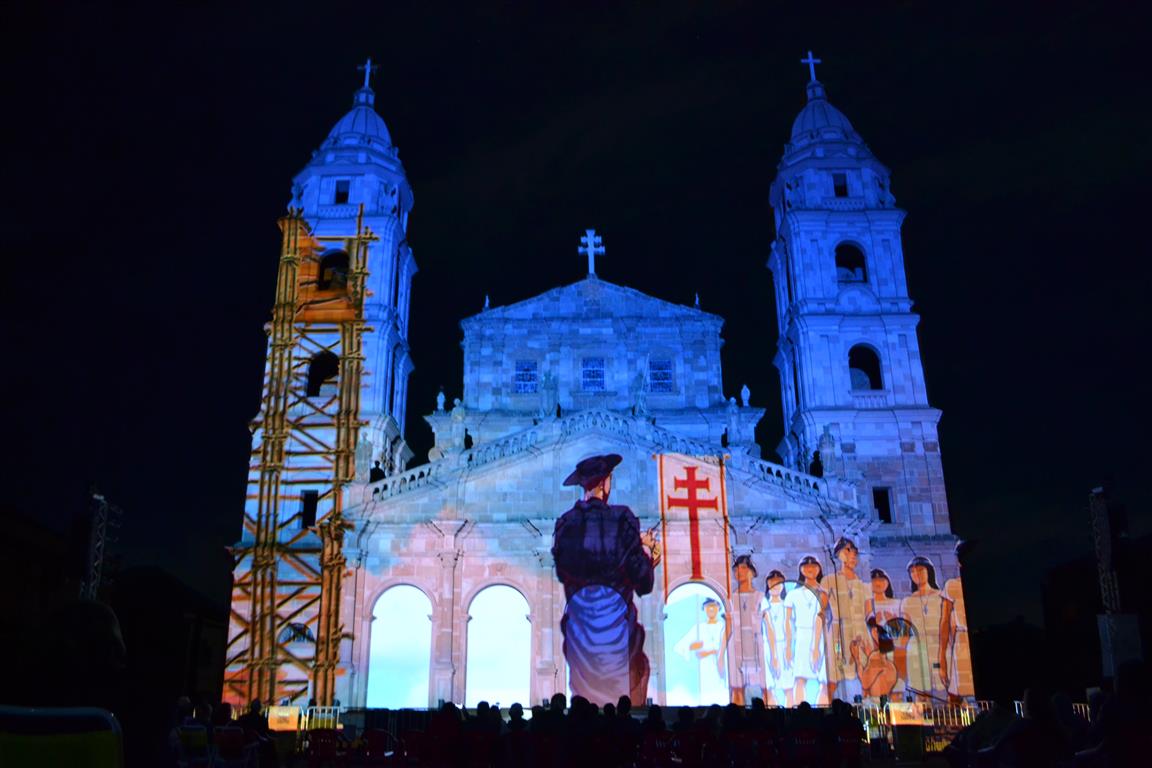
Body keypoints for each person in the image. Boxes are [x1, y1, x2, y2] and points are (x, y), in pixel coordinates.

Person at [553, 454, 659, 707]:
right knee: (634, 677)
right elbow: (643, 582)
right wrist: (649, 554)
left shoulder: (566, 522)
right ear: (604, 483)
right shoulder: (623, 518)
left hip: (580, 628)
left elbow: (561, 571)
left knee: (584, 700)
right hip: (617, 628)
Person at [824, 537, 870, 703]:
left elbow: (870, 614)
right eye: (847, 551)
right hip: (839, 633)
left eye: (854, 552)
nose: (851, 556)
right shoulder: (829, 580)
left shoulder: (863, 583)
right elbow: (820, 609)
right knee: (837, 669)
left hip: (861, 631)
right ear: (838, 555)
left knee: (864, 672)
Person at [899, 556, 949, 701]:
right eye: (913, 572)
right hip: (917, 648)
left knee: (944, 690)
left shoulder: (941, 596)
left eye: (920, 570)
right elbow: (905, 632)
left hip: (939, 646)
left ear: (929, 571)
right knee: (921, 694)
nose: (917, 574)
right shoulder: (907, 602)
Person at [785, 555, 829, 705]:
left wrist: (815, 647)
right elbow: (788, 622)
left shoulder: (824, 593)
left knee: (823, 680)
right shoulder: (793, 594)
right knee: (799, 678)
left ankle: (822, 712)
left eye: (814, 566)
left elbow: (820, 617)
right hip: (801, 637)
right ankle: (798, 713)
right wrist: (788, 647)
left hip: (820, 636)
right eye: (807, 567)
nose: (810, 569)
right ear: (801, 569)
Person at [672, 598, 729, 704]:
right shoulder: (699, 628)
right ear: (704, 608)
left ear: (718, 608)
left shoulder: (723, 627)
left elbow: (727, 647)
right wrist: (691, 646)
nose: (711, 608)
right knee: (706, 696)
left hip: (721, 666)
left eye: (714, 606)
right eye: (708, 606)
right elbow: (679, 647)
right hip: (705, 669)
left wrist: (711, 652)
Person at [729, 554, 764, 705]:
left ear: (752, 571)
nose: (739, 572)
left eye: (743, 568)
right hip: (736, 646)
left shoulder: (760, 597)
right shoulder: (730, 598)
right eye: (736, 569)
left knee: (756, 686)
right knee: (737, 687)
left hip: (756, 645)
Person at [760, 570, 794, 707]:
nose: (776, 586)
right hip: (769, 647)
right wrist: (774, 655)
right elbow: (769, 629)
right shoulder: (763, 603)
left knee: (788, 687)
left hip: (786, 646)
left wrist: (788, 648)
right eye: (772, 583)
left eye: (779, 583)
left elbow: (789, 627)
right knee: (770, 688)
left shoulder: (788, 603)